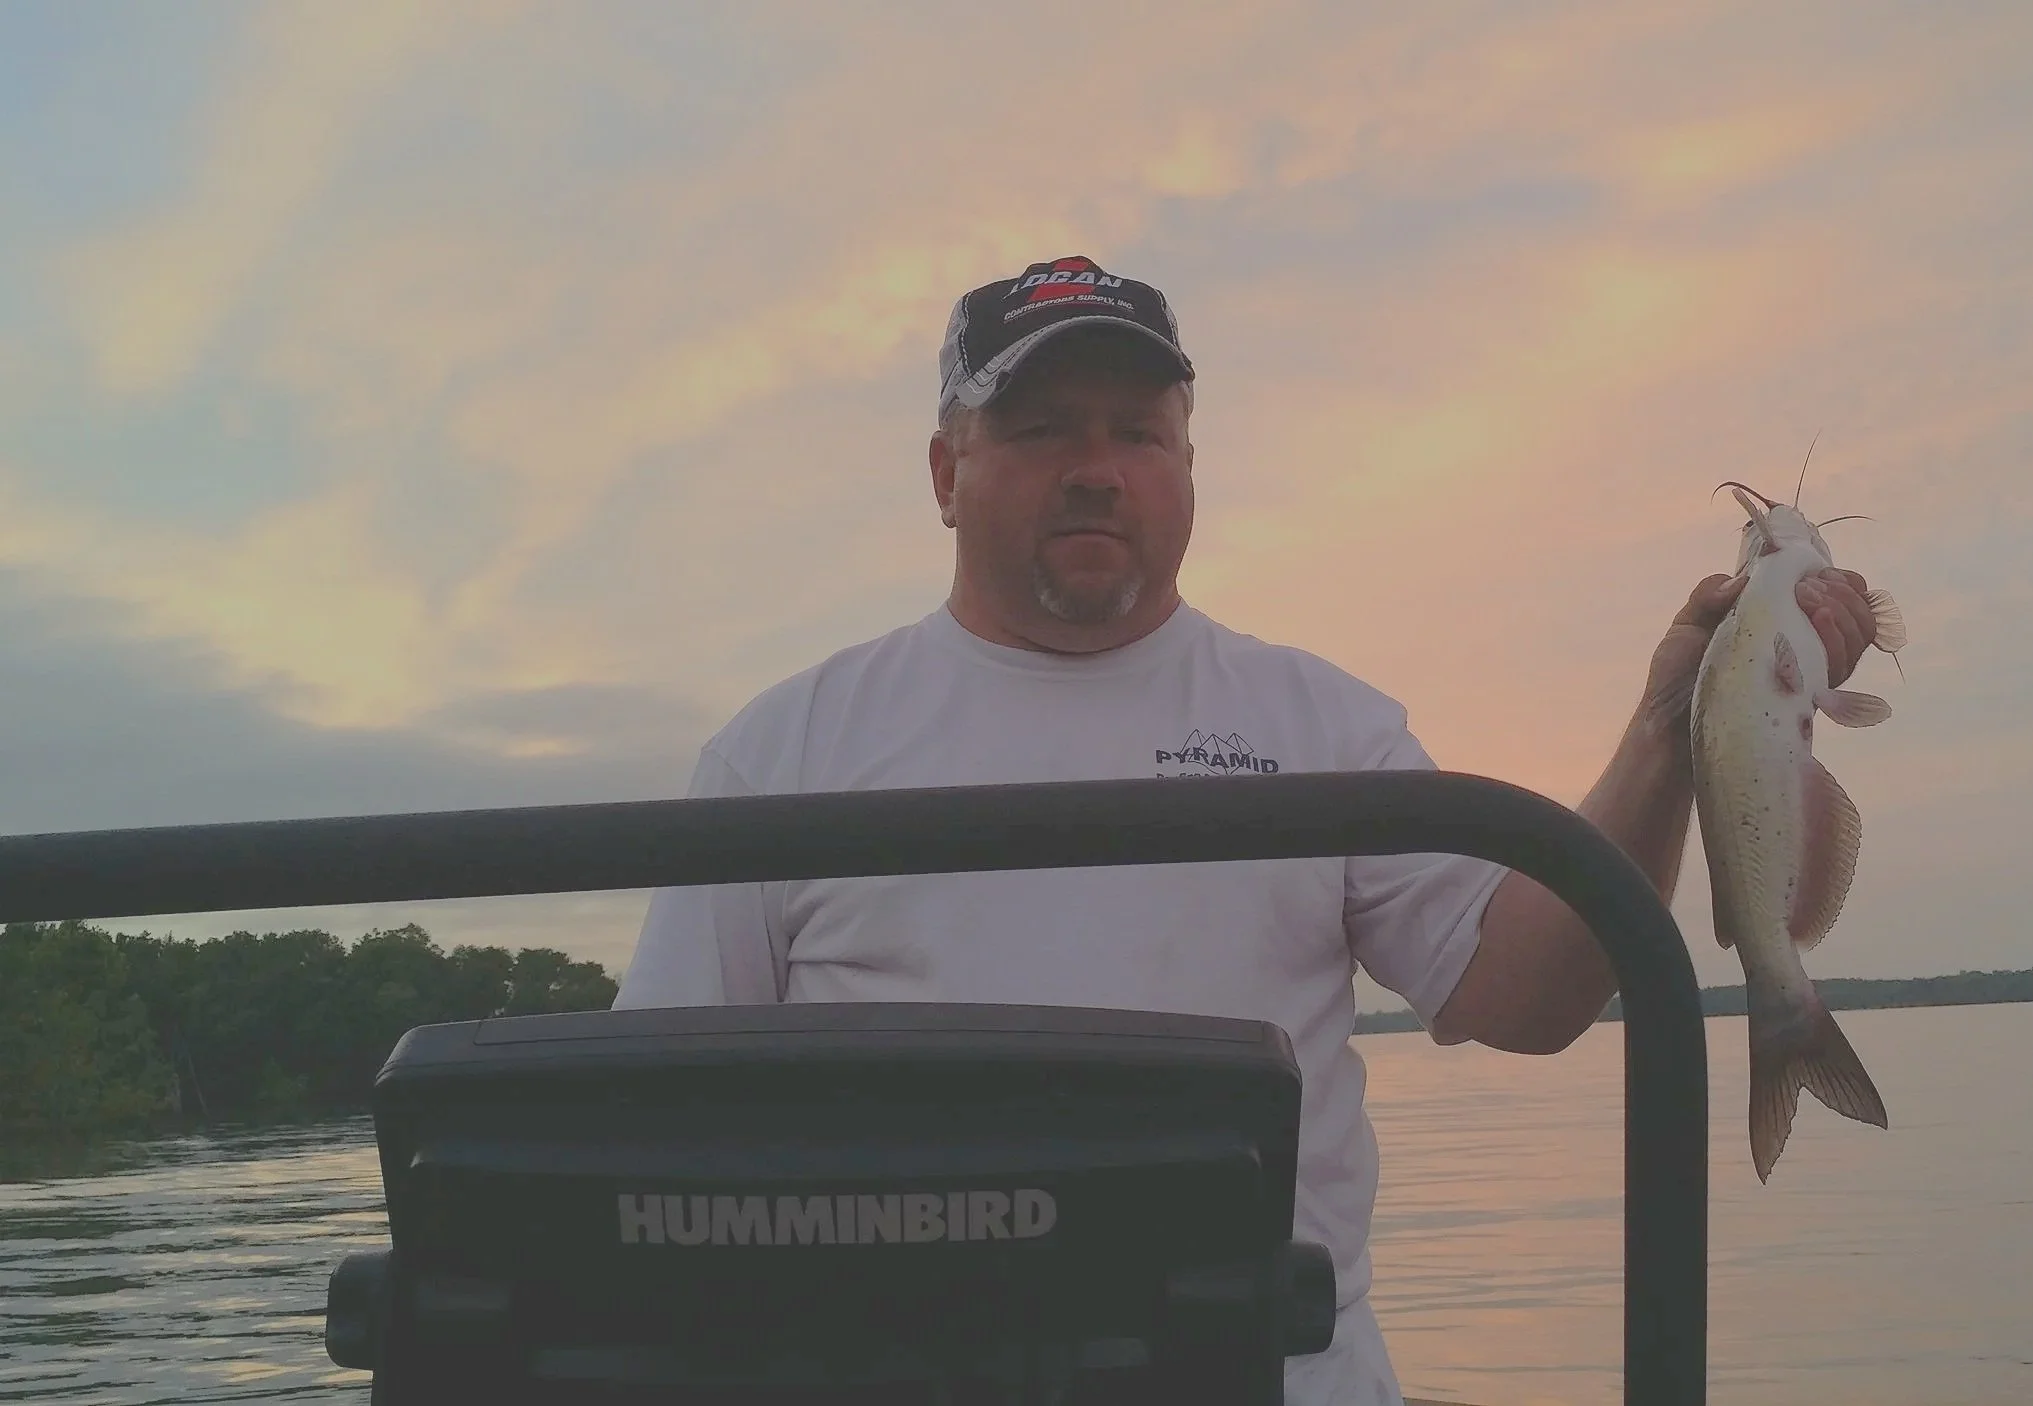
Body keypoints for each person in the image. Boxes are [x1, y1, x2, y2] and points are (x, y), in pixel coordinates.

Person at [613, 255, 1882, 1405]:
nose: (1097, 465)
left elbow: (1526, 992)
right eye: (1042, 427)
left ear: (1187, 466)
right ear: (947, 472)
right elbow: (642, 1143)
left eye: (1139, 432)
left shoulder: (1320, 721)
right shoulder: (784, 751)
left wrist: (1672, 726)